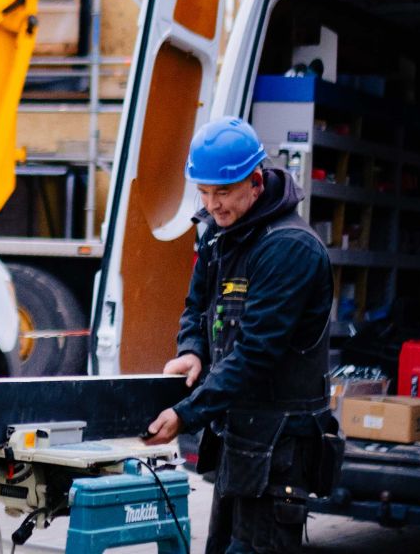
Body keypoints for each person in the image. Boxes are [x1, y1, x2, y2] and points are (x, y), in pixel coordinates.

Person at [144, 117, 339, 554]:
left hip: (280, 446)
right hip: (241, 441)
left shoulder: (289, 248)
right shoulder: (222, 233)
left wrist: (186, 413)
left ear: (255, 181)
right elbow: (196, 306)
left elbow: (256, 352)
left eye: (224, 192)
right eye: (205, 192)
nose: (213, 205)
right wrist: (191, 349)